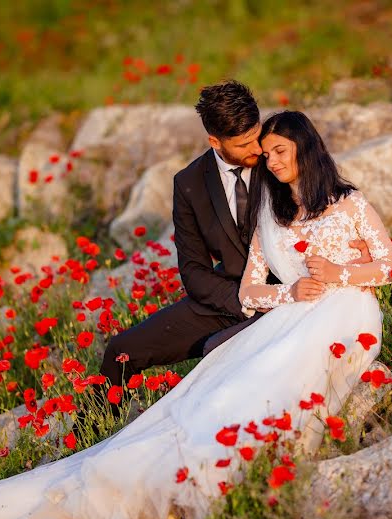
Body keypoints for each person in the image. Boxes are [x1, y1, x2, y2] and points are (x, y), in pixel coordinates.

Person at [0, 110, 392, 519]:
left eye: (279, 150)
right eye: (266, 152)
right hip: (285, 316)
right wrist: (289, 293)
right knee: (221, 394)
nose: (270, 160)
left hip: (344, 314)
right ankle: (148, 473)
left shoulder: (349, 202)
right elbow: (251, 291)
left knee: (271, 388)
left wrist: (340, 273)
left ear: (305, 147)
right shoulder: (269, 214)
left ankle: (221, 480)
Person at [95, 81, 370, 404]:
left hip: (296, 294)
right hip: (228, 299)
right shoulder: (189, 184)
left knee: (216, 362)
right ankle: (94, 433)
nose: (257, 149)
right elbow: (194, 270)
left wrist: (356, 248)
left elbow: (330, 206)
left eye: (257, 136)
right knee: (120, 351)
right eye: (244, 144)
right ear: (215, 141)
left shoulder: (278, 159)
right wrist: (246, 301)